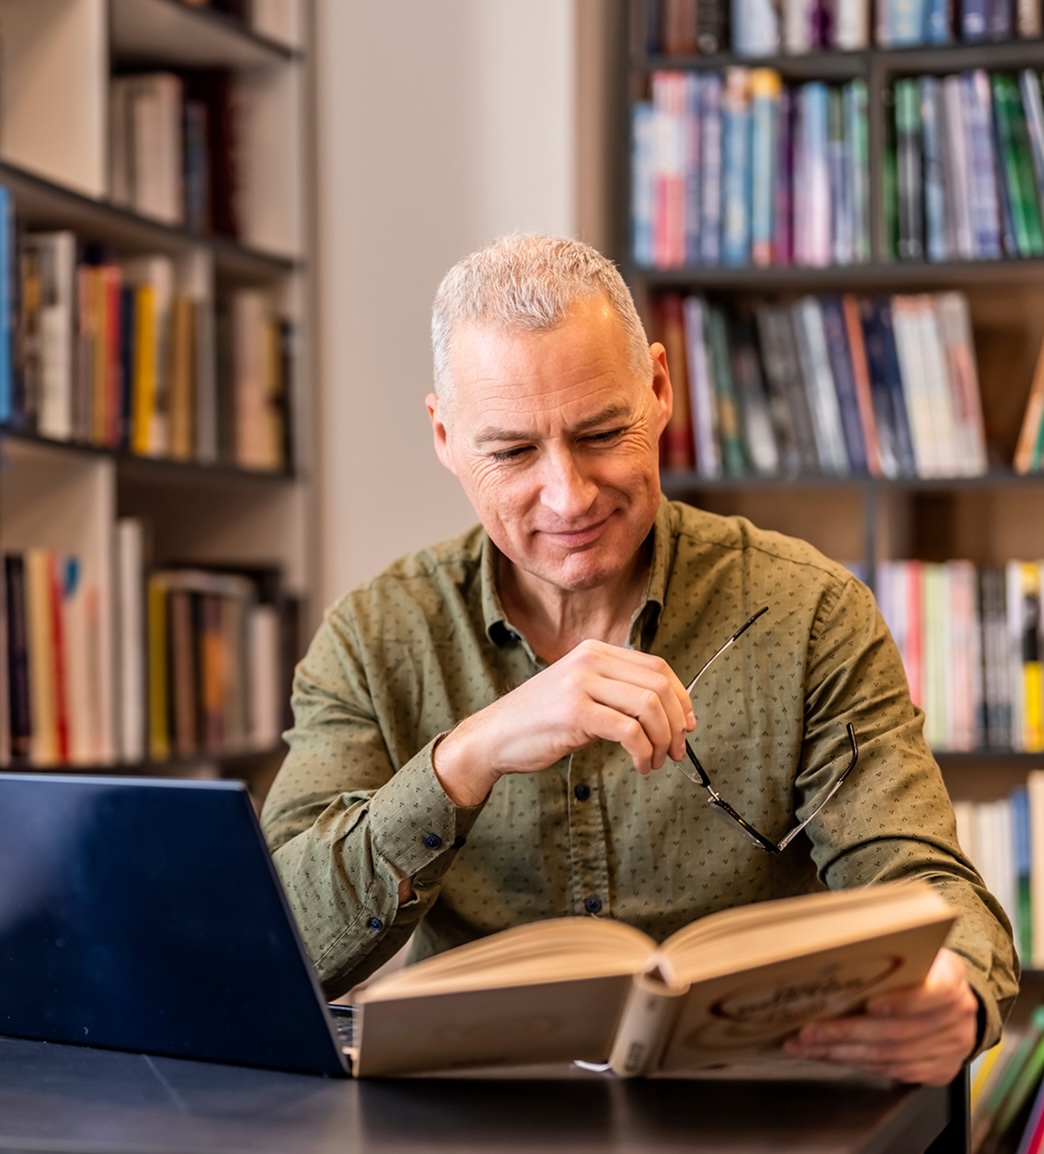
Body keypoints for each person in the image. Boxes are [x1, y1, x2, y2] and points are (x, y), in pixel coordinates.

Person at [261, 234, 1018, 1087]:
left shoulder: (809, 613)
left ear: (659, 390)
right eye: (512, 452)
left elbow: (921, 879)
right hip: (477, 1123)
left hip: (756, 1110)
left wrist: (957, 989)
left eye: (600, 432)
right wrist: (462, 760)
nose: (569, 495)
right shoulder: (373, 637)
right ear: (444, 434)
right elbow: (276, 949)